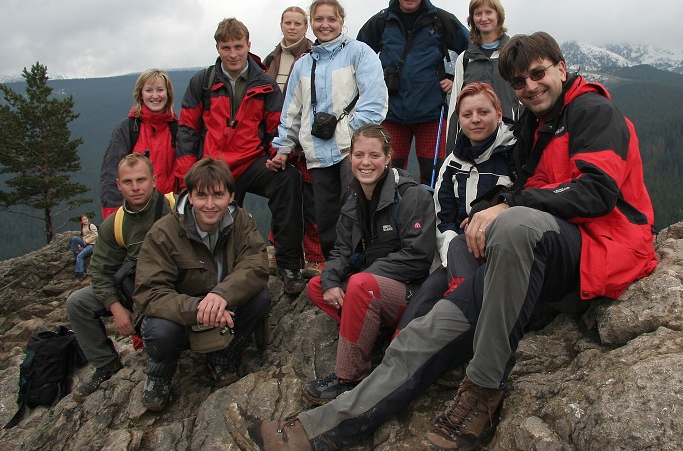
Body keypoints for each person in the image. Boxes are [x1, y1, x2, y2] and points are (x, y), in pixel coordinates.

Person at [224, 32, 659, 451]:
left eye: (538, 73)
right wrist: (494, 210)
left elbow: (597, 192)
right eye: (520, 82)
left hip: (600, 250)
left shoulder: (591, 112)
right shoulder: (535, 125)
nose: (530, 86)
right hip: (528, 263)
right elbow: (521, 189)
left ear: (561, 69)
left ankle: (483, 391)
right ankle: (311, 433)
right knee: (420, 335)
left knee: (513, 225)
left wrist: (507, 207)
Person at [303, 124, 436, 403]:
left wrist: (358, 280)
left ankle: (349, 375)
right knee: (317, 286)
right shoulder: (353, 199)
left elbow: (418, 257)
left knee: (361, 285)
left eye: (374, 155)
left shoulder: (412, 196)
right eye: (359, 154)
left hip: (412, 293)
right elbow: (340, 250)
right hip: (372, 286)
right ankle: (372, 337)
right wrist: (330, 282)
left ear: (388, 157)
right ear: (350, 157)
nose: (366, 162)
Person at [176, 17, 306, 295]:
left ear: (249, 45)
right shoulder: (203, 82)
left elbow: (277, 127)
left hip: (251, 161)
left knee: (288, 180)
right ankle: (205, 273)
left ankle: (289, 265)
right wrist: (188, 174)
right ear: (217, 48)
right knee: (201, 211)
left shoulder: (265, 84)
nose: (233, 54)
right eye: (226, 48)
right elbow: (187, 129)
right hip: (212, 167)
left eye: (238, 46)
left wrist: (276, 155)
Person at [133, 157, 271, 411]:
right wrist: (197, 308)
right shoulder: (163, 232)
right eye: (202, 196)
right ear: (190, 196)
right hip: (181, 315)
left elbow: (257, 264)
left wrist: (221, 295)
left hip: (224, 306)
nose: (210, 204)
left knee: (260, 298)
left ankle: (221, 357)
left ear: (231, 196)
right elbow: (150, 293)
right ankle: (160, 372)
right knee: (160, 332)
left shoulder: (241, 221)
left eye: (218, 195)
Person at [268, 0, 388, 260]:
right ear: (311, 23)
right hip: (317, 154)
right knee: (326, 220)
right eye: (319, 19)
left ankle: (362, 273)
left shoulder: (359, 53)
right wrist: (283, 147)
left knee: (357, 214)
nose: (325, 25)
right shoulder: (303, 64)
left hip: (352, 152)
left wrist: (353, 132)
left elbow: (374, 98)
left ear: (342, 21)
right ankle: (335, 275)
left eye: (331, 19)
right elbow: (292, 112)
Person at [396, 82, 516, 329]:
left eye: (483, 112)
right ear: (459, 120)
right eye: (467, 114)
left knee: (461, 304)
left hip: (503, 252)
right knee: (423, 300)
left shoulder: (514, 152)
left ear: (499, 114)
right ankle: (395, 356)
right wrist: (452, 255)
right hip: (459, 253)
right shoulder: (452, 162)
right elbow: (443, 216)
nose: (475, 120)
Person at [66, 153, 174, 403]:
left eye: (141, 180)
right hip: (134, 288)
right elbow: (100, 271)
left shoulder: (175, 207)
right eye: (128, 182)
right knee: (78, 303)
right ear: (118, 185)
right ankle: (106, 365)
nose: (135, 187)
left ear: (154, 181)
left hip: (169, 289)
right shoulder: (114, 224)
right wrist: (116, 308)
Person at [357, 0, 470, 186]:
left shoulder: (440, 19)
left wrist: (456, 80)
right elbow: (358, 55)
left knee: (434, 176)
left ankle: (433, 219)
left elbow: (471, 51)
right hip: (392, 113)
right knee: (389, 175)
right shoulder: (382, 21)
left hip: (431, 113)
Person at [264, 6, 325, 271]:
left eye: (297, 23)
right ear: (281, 25)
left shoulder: (314, 56)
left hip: (303, 141)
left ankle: (315, 255)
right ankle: (279, 249)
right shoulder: (271, 59)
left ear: (305, 26)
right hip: (276, 138)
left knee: (310, 201)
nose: (292, 28)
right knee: (283, 198)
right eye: (287, 22)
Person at [445, 0, 521, 153]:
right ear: (472, 19)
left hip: (510, 139)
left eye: (488, 12)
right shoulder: (465, 59)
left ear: (498, 16)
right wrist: (450, 151)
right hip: (473, 143)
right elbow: (455, 108)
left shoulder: (514, 53)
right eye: (478, 13)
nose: (483, 18)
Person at [99, 68, 180, 219]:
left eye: (160, 90)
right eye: (149, 90)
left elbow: (185, 172)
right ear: (140, 94)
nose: (155, 96)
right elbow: (111, 174)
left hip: (169, 214)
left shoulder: (177, 129)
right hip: (135, 216)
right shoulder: (128, 129)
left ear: (168, 94)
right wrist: (114, 219)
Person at [69, 214, 98, 280]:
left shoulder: (91, 225)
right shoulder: (83, 227)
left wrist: (87, 241)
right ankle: (75, 251)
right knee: (74, 238)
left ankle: (81, 273)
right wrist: (83, 241)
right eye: (84, 220)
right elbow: (84, 236)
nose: (85, 220)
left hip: (92, 245)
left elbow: (95, 235)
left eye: (86, 219)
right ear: (81, 222)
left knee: (80, 256)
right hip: (86, 243)